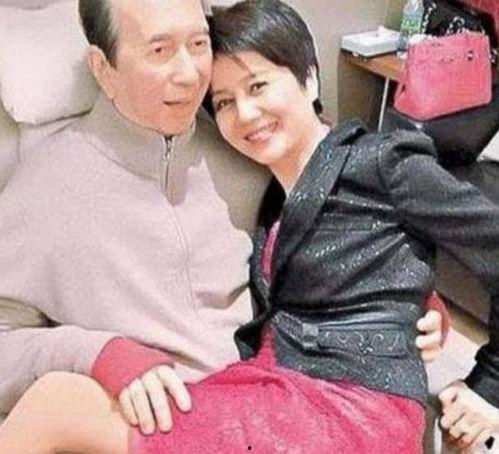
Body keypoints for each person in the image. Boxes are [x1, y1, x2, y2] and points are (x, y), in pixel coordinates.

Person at [0, 0, 447, 452]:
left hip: (283, 401)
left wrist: (406, 293)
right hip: (151, 421)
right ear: (103, 68)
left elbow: (333, 235)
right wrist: (94, 352)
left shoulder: (248, 149)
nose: (189, 73)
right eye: (159, 50)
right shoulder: (43, 189)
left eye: (199, 44)